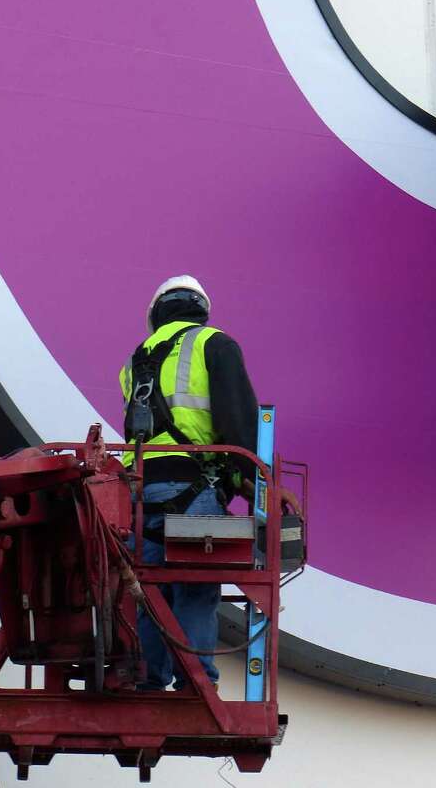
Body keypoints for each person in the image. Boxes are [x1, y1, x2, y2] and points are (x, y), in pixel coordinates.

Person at [119, 275, 258, 691]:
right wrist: (251, 481)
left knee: (148, 591)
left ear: (157, 313)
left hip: (137, 494)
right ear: (200, 308)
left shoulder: (134, 361)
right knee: (195, 588)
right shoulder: (215, 344)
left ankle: (149, 678)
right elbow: (238, 422)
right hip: (193, 488)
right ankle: (197, 683)